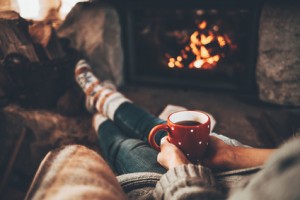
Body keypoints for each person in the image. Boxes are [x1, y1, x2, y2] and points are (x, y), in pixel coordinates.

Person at [25, 60, 300, 200]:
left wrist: (180, 167)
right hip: (235, 167)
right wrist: (232, 154)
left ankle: (99, 110)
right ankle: (101, 98)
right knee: (159, 130)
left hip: (184, 189)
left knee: (127, 146)